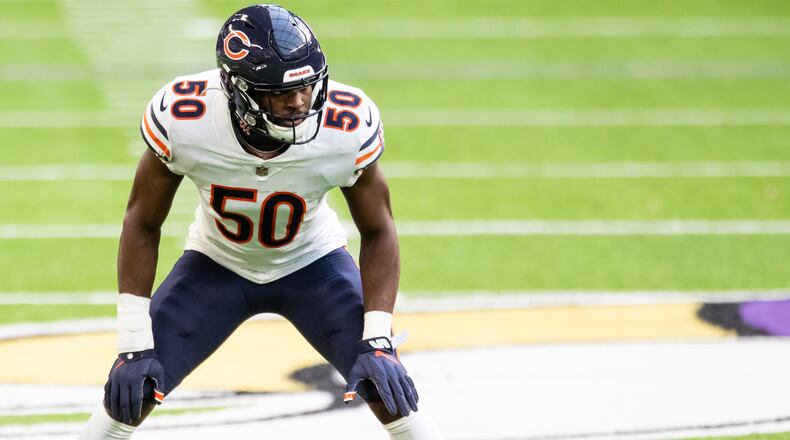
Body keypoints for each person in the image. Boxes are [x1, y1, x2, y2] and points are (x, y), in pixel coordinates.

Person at [79, 4, 442, 439]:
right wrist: (133, 342)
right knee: (126, 397)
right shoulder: (185, 117)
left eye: (307, 86)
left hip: (314, 264)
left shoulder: (344, 126)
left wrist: (379, 338)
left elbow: (378, 228)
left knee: (389, 390)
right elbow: (142, 220)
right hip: (216, 264)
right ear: (238, 90)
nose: (299, 101)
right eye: (280, 93)